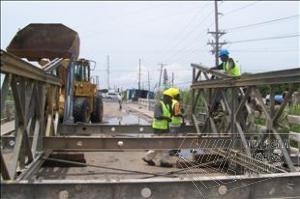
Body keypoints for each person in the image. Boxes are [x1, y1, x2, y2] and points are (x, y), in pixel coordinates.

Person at [142, 89, 173, 167]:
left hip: (165, 128)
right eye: (170, 98)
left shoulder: (167, 105)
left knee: (163, 145)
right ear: (166, 97)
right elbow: (157, 116)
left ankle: (161, 161)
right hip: (159, 129)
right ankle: (151, 159)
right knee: (159, 145)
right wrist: (167, 118)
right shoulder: (159, 104)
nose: (171, 100)